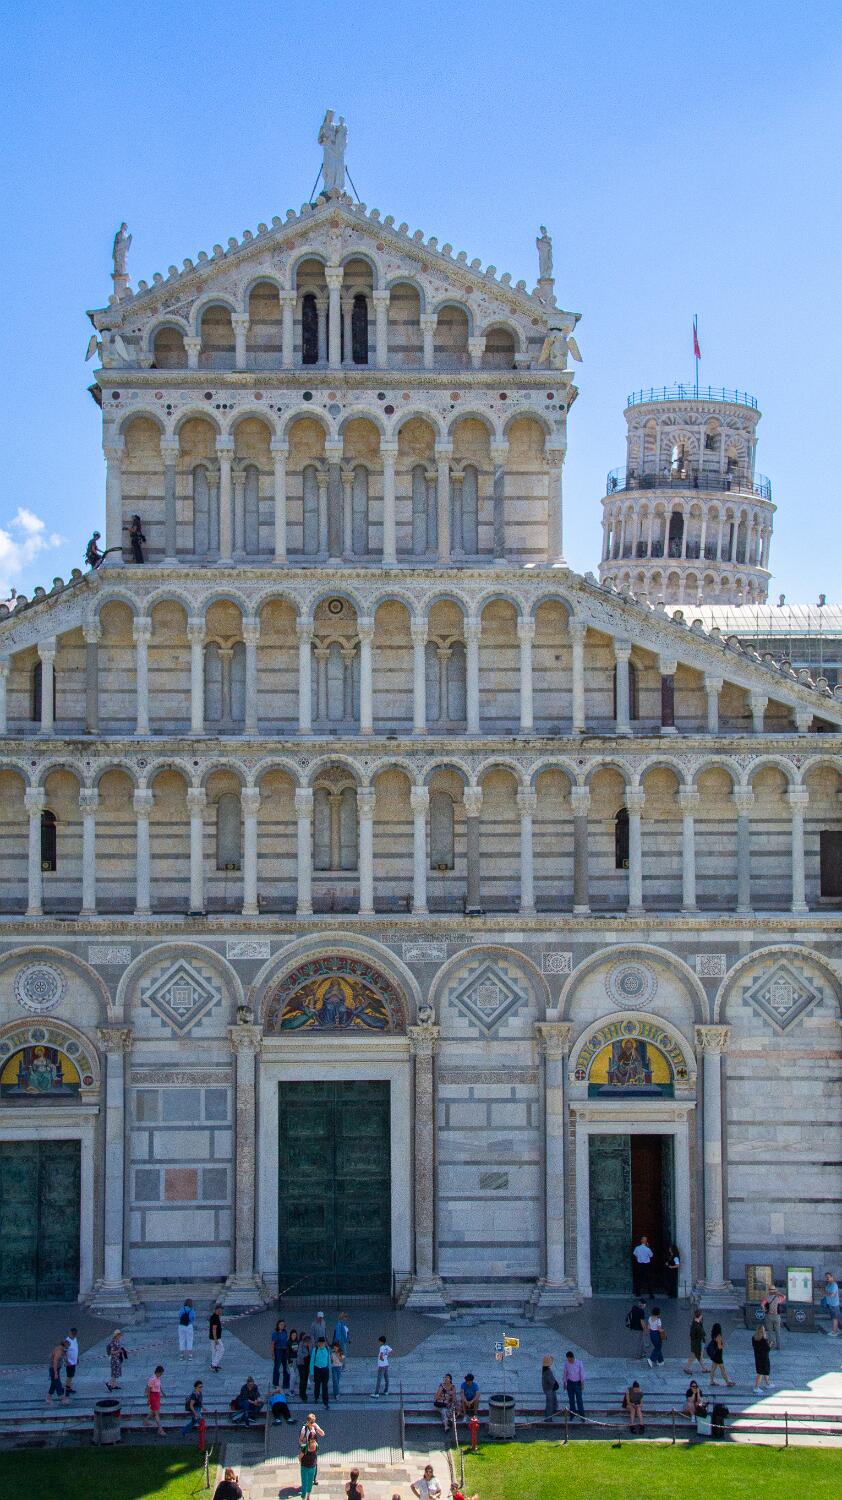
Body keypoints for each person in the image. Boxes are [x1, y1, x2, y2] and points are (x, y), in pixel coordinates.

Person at [707, 1323, 735, 1387]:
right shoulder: (719, 1336)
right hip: (718, 1355)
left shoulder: (713, 1335)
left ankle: (711, 1381)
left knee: (713, 1369)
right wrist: (723, 1345)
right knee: (722, 1369)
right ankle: (727, 1382)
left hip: (715, 1355)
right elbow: (719, 1347)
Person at [562, 1351, 585, 1420]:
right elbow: (565, 1374)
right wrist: (564, 1383)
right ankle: (572, 1415)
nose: (569, 1360)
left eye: (570, 1359)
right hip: (570, 1384)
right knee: (571, 1400)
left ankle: (582, 1416)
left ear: (572, 1357)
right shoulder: (566, 1363)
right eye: (568, 1359)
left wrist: (582, 1384)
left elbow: (582, 1374)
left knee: (579, 1400)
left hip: (577, 1383)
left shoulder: (579, 1363)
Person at [684, 1308, 708, 1373]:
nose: (702, 1316)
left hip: (698, 1342)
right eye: (701, 1315)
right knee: (695, 1355)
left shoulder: (696, 1322)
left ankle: (703, 1368)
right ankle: (687, 1368)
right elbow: (702, 1333)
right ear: (700, 1316)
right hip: (698, 1343)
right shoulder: (696, 1324)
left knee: (698, 1355)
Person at [144, 1365, 166, 1435]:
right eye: (161, 1373)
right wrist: (148, 1399)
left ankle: (146, 1420)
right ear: (158, 1372)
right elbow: (149, 1389)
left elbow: (159, 1386)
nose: (161, 1374)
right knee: (156, 1413)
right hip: (153, 1396)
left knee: (154, 1411)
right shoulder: (152, 1379)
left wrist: (163, 1392)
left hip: (157, 1396)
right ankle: (160, 1429)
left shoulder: (158, 1378)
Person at [762, 1284, 785, 1351]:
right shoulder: (778, 1298)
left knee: (770, 1332)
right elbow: (784, 1296)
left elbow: (762, 1305)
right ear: (775, 1291)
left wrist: (764, 1310)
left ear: (769, 1291)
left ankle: (771, 1345)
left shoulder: (767, 1298)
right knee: (777, 1332)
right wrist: (778, 1293)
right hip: (777, 1316)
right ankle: (778, 1346)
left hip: (769, 1316)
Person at [311, 1335, 331, 1408]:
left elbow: (329, 1360)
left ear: (325, 1343)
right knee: (317, 1385)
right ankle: (316, 1397)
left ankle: (326, 1403)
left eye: (323, 1342)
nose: (321, 1344)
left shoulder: (327, 1349)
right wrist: (312, 1372)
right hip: (317, 1370)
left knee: (325, 1387)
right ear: (318, 1343)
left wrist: (329, 1369)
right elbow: (312, 1361)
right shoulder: (315, 1350)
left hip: (325, 1370)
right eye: (320, 1342)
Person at [47, 1339, 68, 1404]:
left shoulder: (61, 1349)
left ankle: (48, 1397)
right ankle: (62, 1398)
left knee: (53, 1383)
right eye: (67, 1347)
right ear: (64, 1346)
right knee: (58, 1383)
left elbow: (64, 1355)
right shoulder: (58, 1351)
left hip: (56, 1368)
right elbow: (55, 1362)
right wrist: (55, 1372)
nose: (67, 1348)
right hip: (53, 1369)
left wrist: (66, 1361)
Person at [752, 1323, 772, 1390]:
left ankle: (767, 1383)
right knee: (761, 1372)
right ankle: (756, 1388)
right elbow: (767, 1349)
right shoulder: (764, 1340)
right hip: (764, 1358)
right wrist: (770, 1344)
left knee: (764, 1371)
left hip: (757, 1357)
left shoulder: (754, 1338)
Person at [272, 1319, 291, 1388]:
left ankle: (286, 1384)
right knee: (277, 1368)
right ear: (278, 1325)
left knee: (286, 1367)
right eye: (281, 1324)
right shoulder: (275, 1333)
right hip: (278, 1351)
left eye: (283, 1324)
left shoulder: (285, 1332)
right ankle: (275, 1384)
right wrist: (273, 1354)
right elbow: (272, 1344)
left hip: (285, 1351)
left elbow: (286, 1342)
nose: (282, 1326)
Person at [300, 1434, 319, 1499]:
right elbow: (300, 1457)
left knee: (310, 1483)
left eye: (314, 1440)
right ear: (309, 1440)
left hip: (312, 1468)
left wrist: (315, 1463)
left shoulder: (317, 1446)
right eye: (311, 1440)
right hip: (304, 1468)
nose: (313, 1441)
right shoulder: (305, 1447)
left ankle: (308, 1496)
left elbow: (315, 1455)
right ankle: (303, 1497)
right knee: (304, 1484)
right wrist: (301, 1464)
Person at [541, 1354, 559, 1421]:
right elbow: (550, 1380)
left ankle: (548, 1416)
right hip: (549, 1389)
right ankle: (548, 1419)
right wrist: (554, 1383)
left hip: (547, 1389)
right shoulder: (547, 1371)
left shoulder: (545, 1369)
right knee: (550, 1405)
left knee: (549, 1404)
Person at [209, 1304, 224, 1372]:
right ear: (217, 1310)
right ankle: (214, 1365)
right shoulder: (215, 1317)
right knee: (221, 1350)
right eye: (220, 1310)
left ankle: (214, 1365)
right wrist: (216, 1340)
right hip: (216, 1338)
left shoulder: (215, 1316)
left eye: (222, 1310)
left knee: (214, 1351)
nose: (221, 1312)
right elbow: (214, 1329)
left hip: (214, 1337)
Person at [297, 1334, 312, 1400]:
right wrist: (306, 1355)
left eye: (309, 1342)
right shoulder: (301, 1344)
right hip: (301, 1364)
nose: (308, 1343)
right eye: (307, 1342)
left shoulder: (310, 1345)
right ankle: (301, 1393)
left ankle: (304, 1393)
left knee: (305, 1379)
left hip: (307, 1364)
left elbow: (311, 1353)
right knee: (302, 1379)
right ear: (304, 1341)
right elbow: (299, 1353)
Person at [64, 1328, 79, 1394]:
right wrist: (66, 1361)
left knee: (71, 1375)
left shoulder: (75, 1339)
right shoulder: (67, 1341)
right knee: (69, 1375)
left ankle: (68, 1387)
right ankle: (67, 1389)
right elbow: (64, 1352)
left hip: (73, 1361)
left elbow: (76, 1348)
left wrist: (77, 1358)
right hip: (69, 1362)